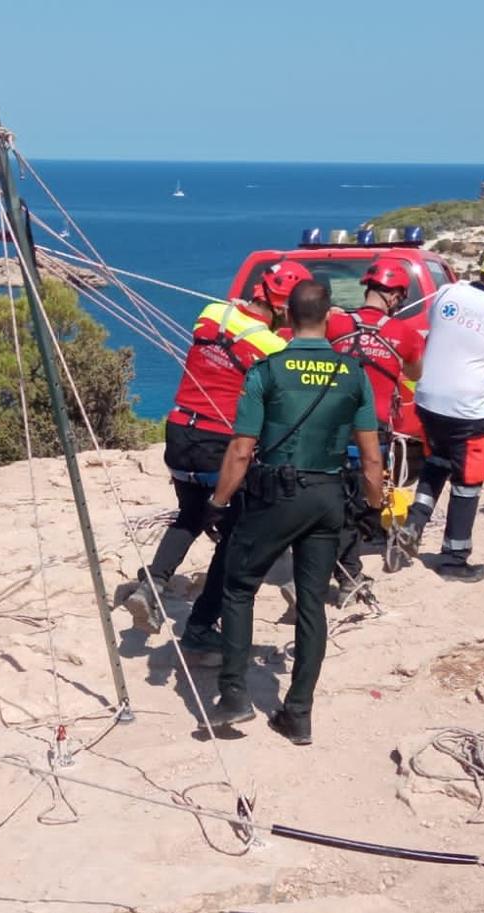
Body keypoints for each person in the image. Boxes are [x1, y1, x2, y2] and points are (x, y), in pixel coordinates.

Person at [199, 281, 384, 745]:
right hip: (328, 497)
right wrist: (373, 511)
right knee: (311, 601)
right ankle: (298, 712)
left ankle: (234, 694)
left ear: (285, 318)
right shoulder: (352, 373)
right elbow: (372, 458)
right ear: (329, 318)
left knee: (240, 585)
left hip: (277, 494)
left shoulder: (268, 370)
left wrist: (218, 504)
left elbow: (241, 450)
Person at [132, 262, 306, 616]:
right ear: (284, 308)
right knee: (242, 529)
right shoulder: (272, 347)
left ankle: (151, 585)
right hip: (219, 442)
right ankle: (211, 620)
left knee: (191, 515)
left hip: (179, 432)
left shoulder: (211, 314)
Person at [396, 249, 484, 582]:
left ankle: (414, 524)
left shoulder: (447, 292)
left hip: (427, 400)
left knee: (437, 462)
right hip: (467, 410)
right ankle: (455, 559)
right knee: (468, 481)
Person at [325, 256, 425, 597]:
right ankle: (346, 573)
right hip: (374, 430)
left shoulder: (335, 324)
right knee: (360, 503)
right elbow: (415, 374)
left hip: (329, 426)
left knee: (333, 497)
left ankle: (342, 568)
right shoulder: (405, 334)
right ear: (395, 296)